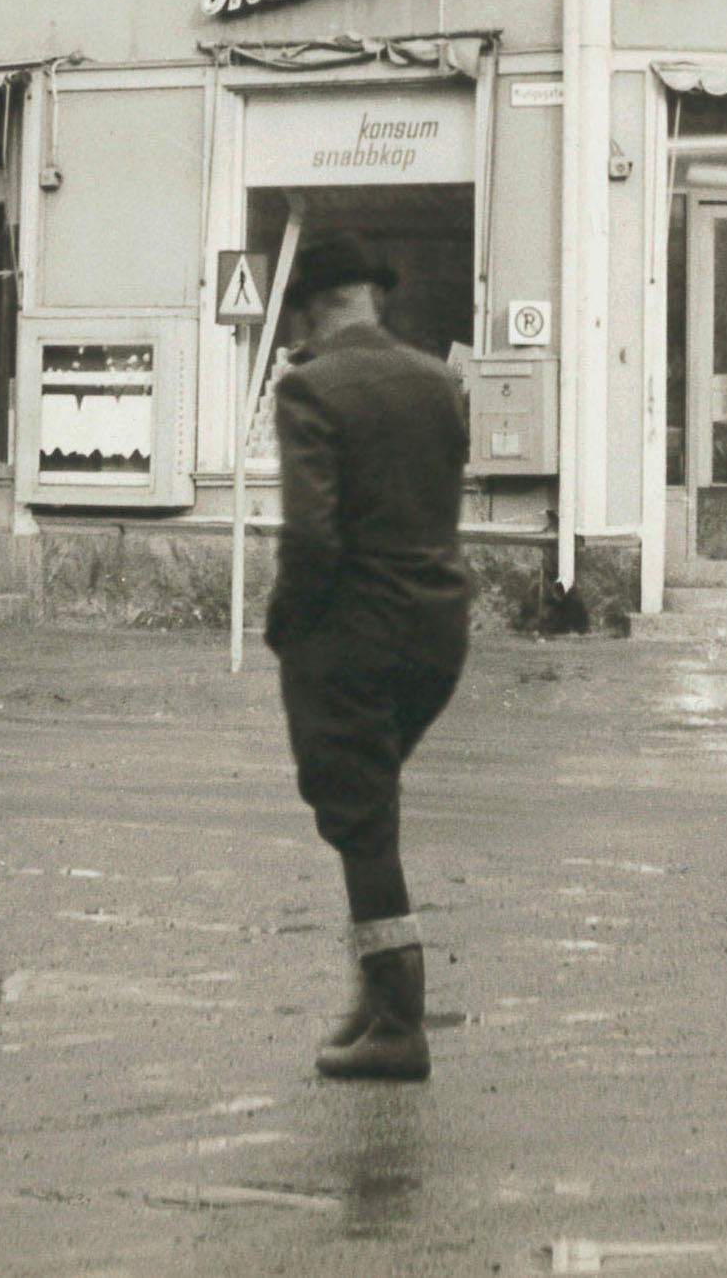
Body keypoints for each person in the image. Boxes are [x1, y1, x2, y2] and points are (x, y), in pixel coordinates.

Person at [262, 234, 470, 1083]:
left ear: (314, 306)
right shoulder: (438, 381)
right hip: (438, 629)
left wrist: (286, 625)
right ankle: (374, 995)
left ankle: (396, 1020)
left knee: (360, 818)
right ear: (370, 298)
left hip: (353, 630)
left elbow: (312, 537)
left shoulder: (310, 387)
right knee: (369, 806)